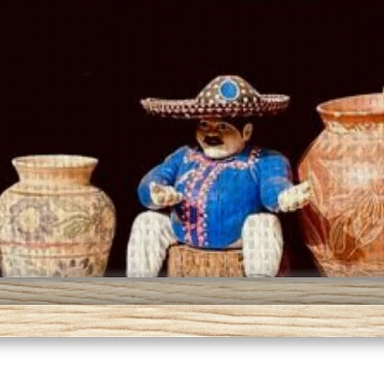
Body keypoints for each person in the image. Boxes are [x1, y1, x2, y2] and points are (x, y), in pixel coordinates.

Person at [126, 74, 309, 278]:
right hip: (182, 232)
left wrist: (284, 197)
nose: (211, 134)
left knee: (263, 223)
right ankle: (137, 288)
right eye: (204, 125)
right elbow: (151, 181)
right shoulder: (184, 155)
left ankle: (259, 292)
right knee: (147, 221)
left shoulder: (265, 159)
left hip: (236, 237)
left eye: (223, 126)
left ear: (246, 132)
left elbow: (273, 186)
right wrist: (156, 192)